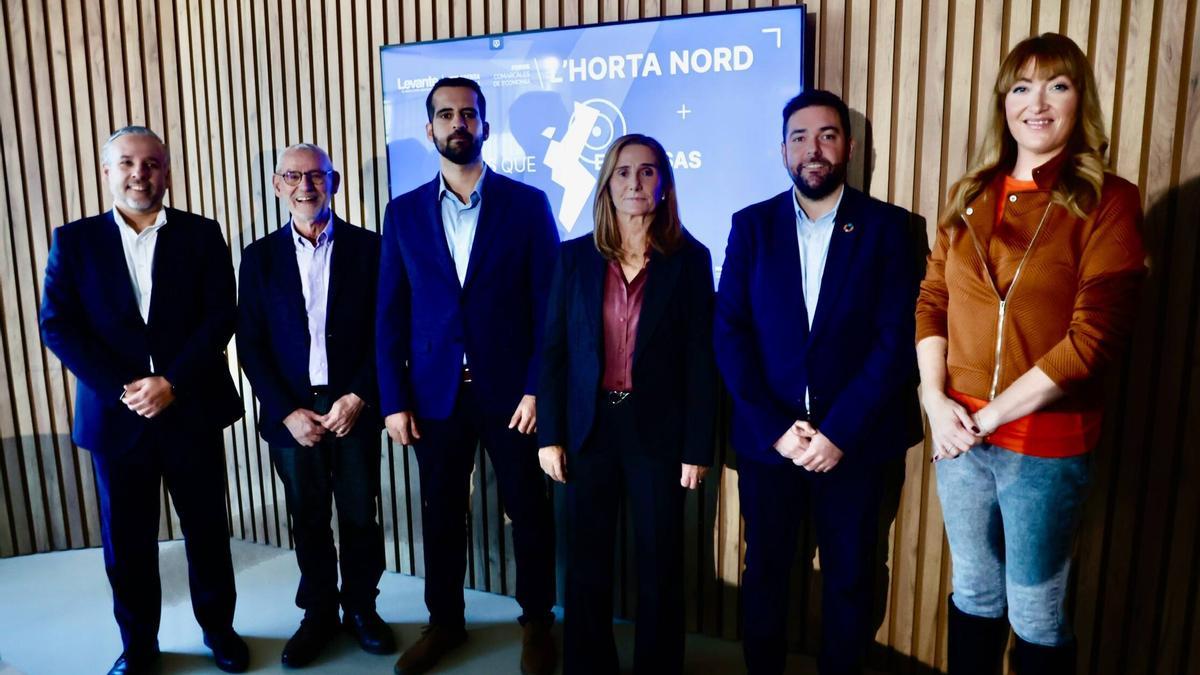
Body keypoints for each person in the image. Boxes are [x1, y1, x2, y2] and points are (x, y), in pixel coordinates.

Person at [916, 33, 1146, 675]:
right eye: (1022, 87)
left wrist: (984, 419)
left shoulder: (1108, 200)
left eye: (1057, 86)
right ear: (1003, 103)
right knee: (973, 593)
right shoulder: (969, 193)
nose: (1036, 103)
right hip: (957, 438)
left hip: (1044, 445)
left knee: (1036, 611)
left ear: (1080, 101)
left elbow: (1092, 340)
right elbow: (933, 300)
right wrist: (934, 400)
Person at [714, 90, 924, 675]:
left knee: (852, 579)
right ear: (783, 150)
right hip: (771, 444)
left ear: (848, 148)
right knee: (765, 578)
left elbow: (896, 340)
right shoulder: (751, 226)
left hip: (857, 444)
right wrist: (777, 429)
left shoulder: (891, 229)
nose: (814, 149)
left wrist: (838, 433)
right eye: (800, 137)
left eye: (827, 135)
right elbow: (729, 333)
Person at [39, 126, 248, 675]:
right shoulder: (75, 241)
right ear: (107, 172)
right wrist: (124, 387)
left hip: (191, 410)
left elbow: (220, 315)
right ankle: (139, 647)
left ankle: (220, 632)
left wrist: (172, 381)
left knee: (207, 532)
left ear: (166, 172)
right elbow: (57, 325)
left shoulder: (201, 234)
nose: (140, 174)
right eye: (128, 163)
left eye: (152, 163)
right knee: (127, 544)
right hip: (117, 417)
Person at [376, 77, 560, 675]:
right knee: (441, 513)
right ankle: (445, 624)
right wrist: (393, 399)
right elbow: (389, 313)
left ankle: (537, 622)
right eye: (446, 114)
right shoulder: (403, 212)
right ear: (429, 128)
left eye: (469, 114)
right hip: (434, 396)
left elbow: (550, 307)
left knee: (528, 511)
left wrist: (536, 387)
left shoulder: (526, 204)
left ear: (484, 124)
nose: (458, 123)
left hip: (513, 397)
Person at [537, 134, 717, 674]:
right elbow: (553, 352)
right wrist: (550, 435)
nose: (635, 182)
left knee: (660, 562)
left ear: (664, 183)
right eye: (623, 172)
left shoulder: (690, 261)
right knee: (586, 562)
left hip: (657, 433)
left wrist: (696, 446)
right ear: (606, 185)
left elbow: (701, 361)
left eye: (647, 171)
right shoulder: (573, 258)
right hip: (589, 428)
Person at [236, 143, 394, 667]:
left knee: (360, 515)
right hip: (292, 414)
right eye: (293, 176)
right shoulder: (258, 258)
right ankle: (319, 613)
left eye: (317, 175)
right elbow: (250, 343)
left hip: (354, 408)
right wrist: (286, 411)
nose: (306, 186)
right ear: (278, 185)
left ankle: (362, 609)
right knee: (307, 517)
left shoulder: (371, 249)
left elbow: (386, 332)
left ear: (335, 182)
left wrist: (359, 395)